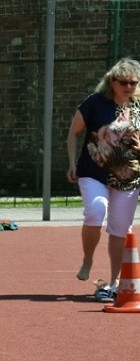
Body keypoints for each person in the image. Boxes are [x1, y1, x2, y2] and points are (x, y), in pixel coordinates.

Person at [67, 57, 140, 302]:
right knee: (96, 209)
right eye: (124, 82)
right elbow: (73, 132)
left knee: (120, 228)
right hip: (93, 171)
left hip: (128, 177)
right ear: (112, 81)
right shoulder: (95, 102)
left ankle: (114, 281)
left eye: (133, 83)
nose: (129, 87)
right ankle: (88, 259)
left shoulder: (139, 106)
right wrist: (71, 163)